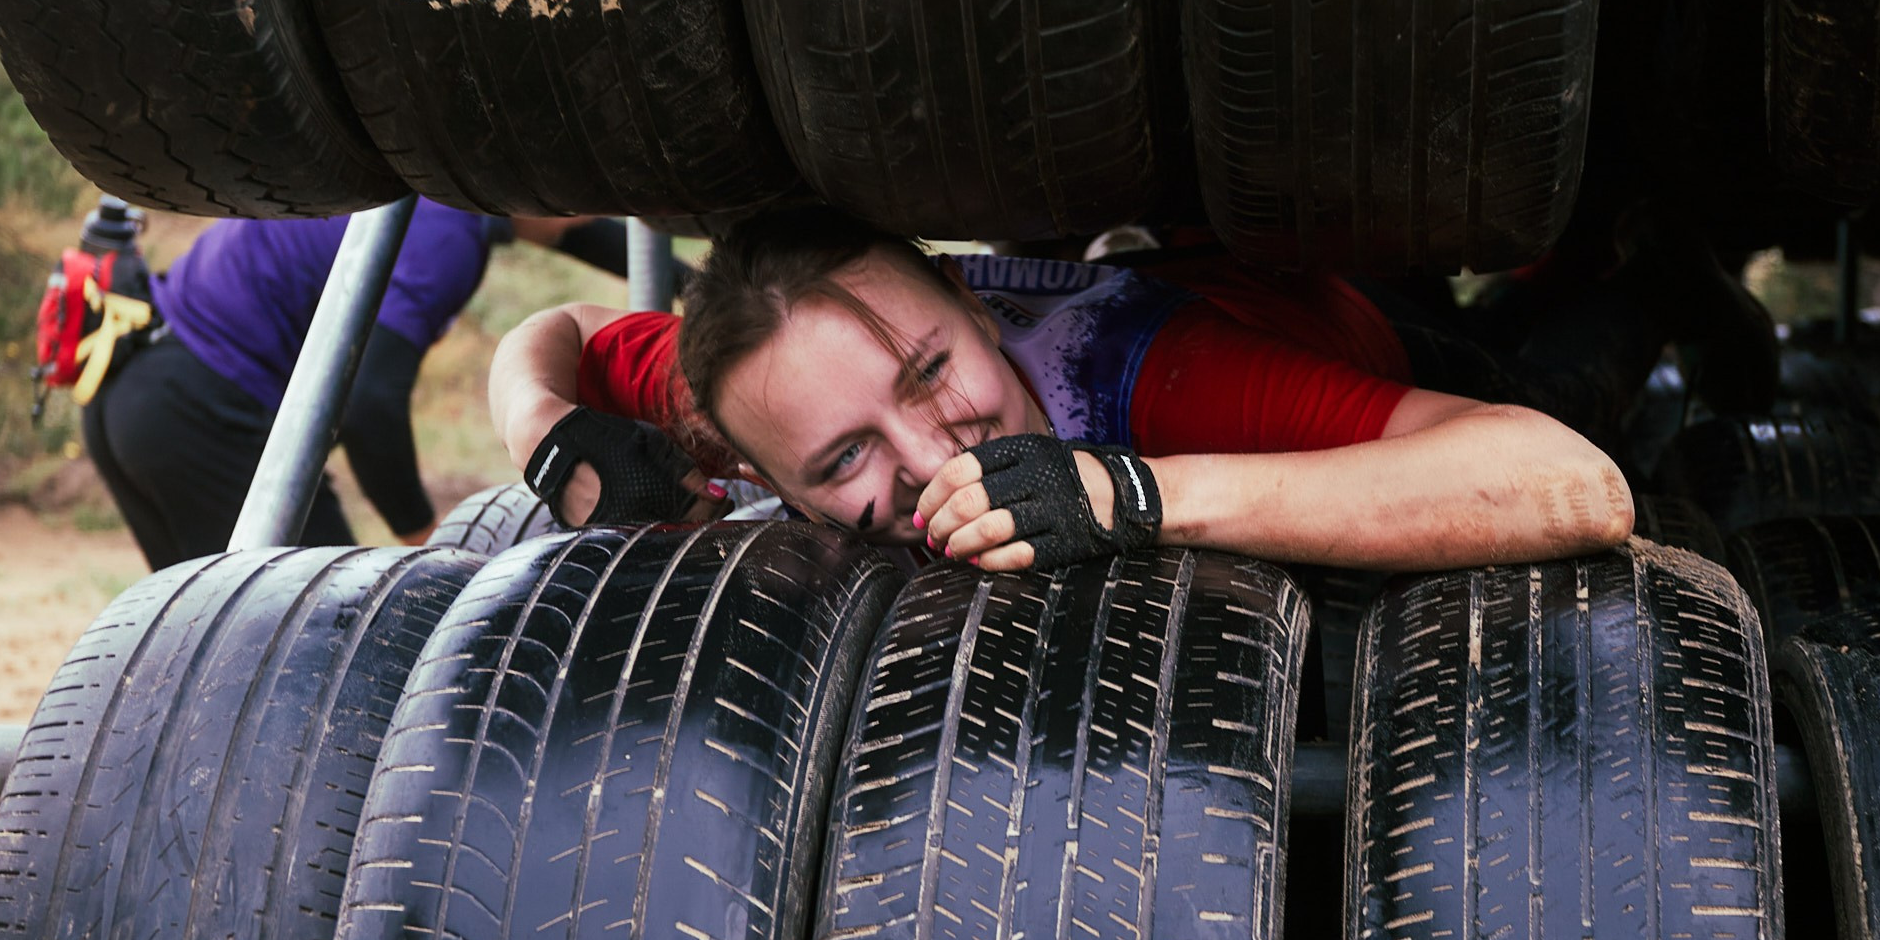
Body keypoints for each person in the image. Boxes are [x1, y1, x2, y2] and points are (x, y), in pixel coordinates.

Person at [487, 206, 1633, 573]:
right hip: (1154, 251)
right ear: (751, 467)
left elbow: (1568, 478)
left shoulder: (1161, 377)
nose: (934, 461)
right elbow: (566, 328)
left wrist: (1132, 494)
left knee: (1572, 349)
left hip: (1352, 325)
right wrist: (550, 434)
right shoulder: (752, 378)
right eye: (843, 461)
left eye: (932, 372)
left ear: (971, 305)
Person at [81, 206, 631, 568]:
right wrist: (425, 535)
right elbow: (370, 407)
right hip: (198, 413)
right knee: (334, 636)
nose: (585, 216)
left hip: (129, 397)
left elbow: (566, 226)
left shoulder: (418, 194)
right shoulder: (447, 243)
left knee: (211, 643)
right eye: (576, 203)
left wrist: (694, 284)